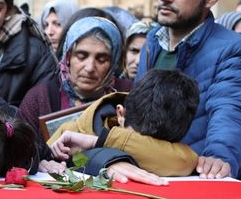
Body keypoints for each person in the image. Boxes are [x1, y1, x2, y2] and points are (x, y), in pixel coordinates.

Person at [136, 0, 241, 179]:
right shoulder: (151, 42)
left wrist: (218, 158)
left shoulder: (234, 50)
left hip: (191, 181)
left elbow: (232, 110)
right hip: (141, 176)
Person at [47, 69, 199, 178]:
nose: (142, 148)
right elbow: (41, 162)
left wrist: (97, 142)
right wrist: (45, 161)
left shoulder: (172, 131)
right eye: (135, 139)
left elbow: (185, 160)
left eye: (152, 146)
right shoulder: (71, 134)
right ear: (120, 114)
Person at [18, 17, 132, 140]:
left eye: (101, 59)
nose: (89, 68)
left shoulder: (129, 94)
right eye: (81, 56)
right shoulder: (38, 99)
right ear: (68, 58)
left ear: (113, 63)